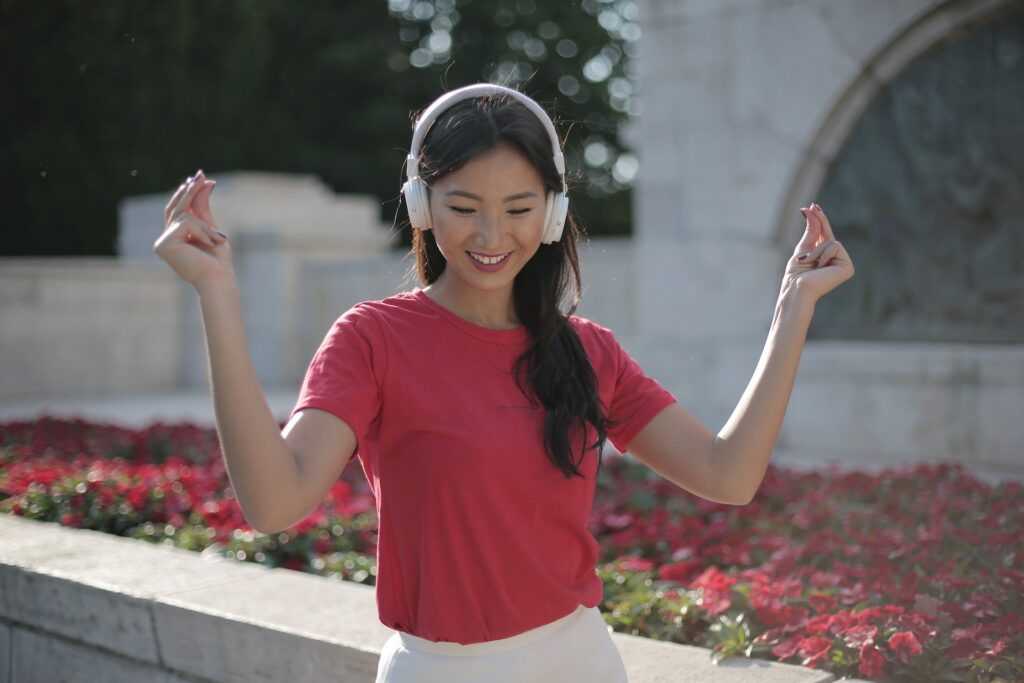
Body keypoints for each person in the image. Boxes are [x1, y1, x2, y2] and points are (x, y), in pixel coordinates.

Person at [154, 83, 854, 682]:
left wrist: (794, 307)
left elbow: (727, 474)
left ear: (551, 214)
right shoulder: (372, 340)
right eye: (463, 207)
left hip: (580, 661)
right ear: (422, 205)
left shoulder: (589, 352)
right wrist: (216, 292)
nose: (492, 234)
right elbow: (275, 502)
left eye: (519, 209)